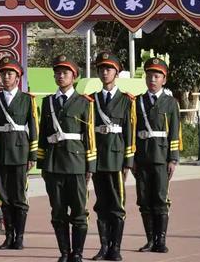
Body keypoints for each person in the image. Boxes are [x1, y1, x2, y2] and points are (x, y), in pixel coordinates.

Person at [37, 55, 96, 262]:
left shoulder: (84, 102)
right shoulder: (48, 103)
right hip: (53, 164)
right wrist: (42, 164)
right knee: (58, 211)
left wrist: (91, 165)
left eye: (65, 72)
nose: (60, 76)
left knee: (79, 211)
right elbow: (43, 135)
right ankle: (63, 252)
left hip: (76, 163)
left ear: (75, 76)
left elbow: (90, 136)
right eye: (57, 72)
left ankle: (77, 253)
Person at [0, 56, 38, 251]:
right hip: (1, 151)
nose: (6, 77)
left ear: (18, 78)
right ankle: (8, 236)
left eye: (10, 73)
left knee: (19, 197)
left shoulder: (27, 99)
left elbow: (33, 128)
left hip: (19, 151)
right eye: (3, 73)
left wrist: (32, 156)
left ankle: (19, 237)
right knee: (4, 197)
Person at [89, 52, 136, 262]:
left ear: (116, 72)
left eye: (108, 69)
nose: (104, 72)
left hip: (117, 158)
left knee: (117, 205)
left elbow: (130, 132)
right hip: (98, 158)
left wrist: (128, 161)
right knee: (101, 205)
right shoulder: (92, 100)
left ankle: (115, 248)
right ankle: (103, 246)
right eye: (101, 69)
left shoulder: (126, 100)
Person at [134, 57, 182, 254]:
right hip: (142, 157)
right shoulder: (138, 101)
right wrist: (132, 158)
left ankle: (161, 240)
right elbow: (132, 131)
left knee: (160, 199)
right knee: (144, 199)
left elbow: (175, 132)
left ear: (164, 79)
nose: (152, 79)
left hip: (161, 157)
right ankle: (150, 240)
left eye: (156, 76)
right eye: (149, 75)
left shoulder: (170, 103)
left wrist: (173, 158)